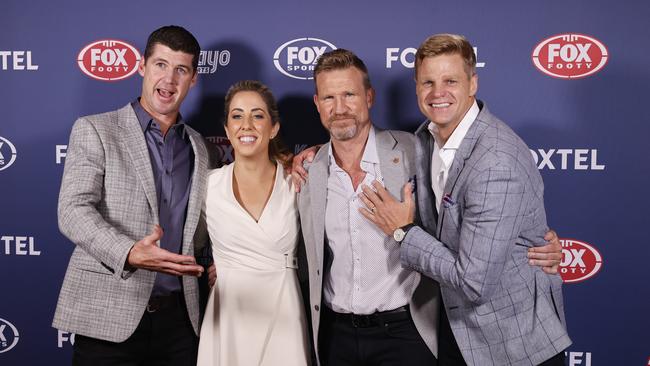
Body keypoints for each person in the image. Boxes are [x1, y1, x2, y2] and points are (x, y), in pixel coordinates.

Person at [293, 49, 564, 366]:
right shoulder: (307, 172)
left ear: (369, 96)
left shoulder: (417, 149)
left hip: (407, 334)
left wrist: (531, 241)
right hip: (335, 337)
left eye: (349, 94)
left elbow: (484, 202)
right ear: (317, 104)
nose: (340, 109)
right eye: (329, 98)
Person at [53, 25, 215, 366]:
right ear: (142, 67)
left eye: (181, 70)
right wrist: (128, 252)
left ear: (193, 79)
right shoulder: (96, 129)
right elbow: (72, 210)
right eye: (160, 65)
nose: (169, 80)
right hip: (109, 317)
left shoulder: (201, 148)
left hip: (181, 324)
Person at [197, 80, 311, 366]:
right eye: (237, 116)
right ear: (226, 129)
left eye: (257, 115)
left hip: (284, 313)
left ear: (273, 128)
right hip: (228, 317)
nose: (246, 125)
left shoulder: (296, 183)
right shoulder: (208, 186)